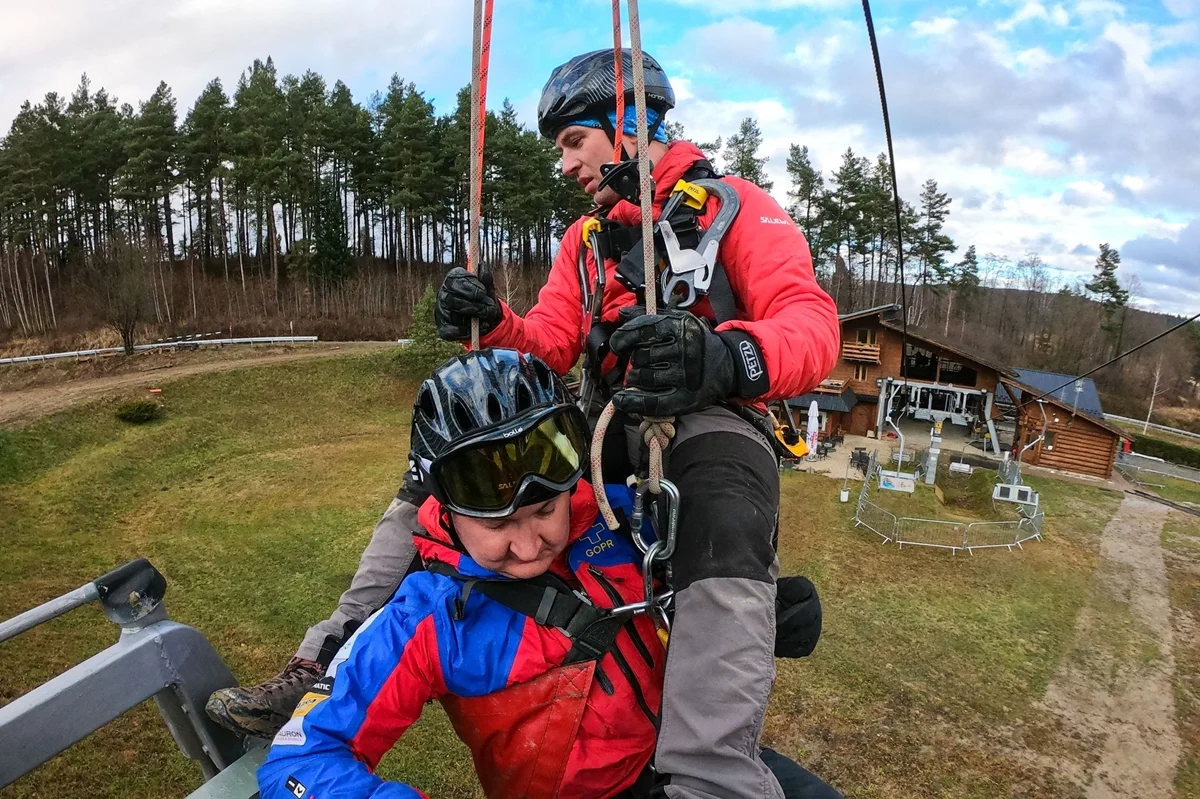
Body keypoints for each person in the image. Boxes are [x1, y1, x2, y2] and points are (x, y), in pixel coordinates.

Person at [431, 49, 840, 799]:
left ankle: (713, 776)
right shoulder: (584, 243)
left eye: (573, 141)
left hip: (708, 425)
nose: (564, 164)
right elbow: (551, 343)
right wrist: (495, 324)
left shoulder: (734, 205)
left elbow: (812, 326)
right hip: (600, 434)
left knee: (717, 477)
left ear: (627, 121)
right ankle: (328, 654)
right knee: (458, 453)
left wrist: (722, 359)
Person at [256, 348, 840, 799]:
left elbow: (698, 604)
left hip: (682, 764)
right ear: (447, 507)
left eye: (545, 509)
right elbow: (299, 760)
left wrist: (774, 614)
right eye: (500, 523)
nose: (531, 542)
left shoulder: (623, 524)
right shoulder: (423, 620)